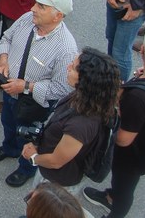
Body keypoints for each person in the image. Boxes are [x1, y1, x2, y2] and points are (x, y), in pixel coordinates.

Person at [84, 26, 145, 218]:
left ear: (143, 51)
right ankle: (113, 198)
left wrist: (119, 109)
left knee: (124, 187)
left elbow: (123, 140)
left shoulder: (136, 96)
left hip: (137, 155)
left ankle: (115, 209)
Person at [0, 0, 78, 188]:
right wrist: (3, 59)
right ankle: (9, 148)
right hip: (11, 92)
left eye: (41, 6)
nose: (33, 8)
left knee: (30, 138)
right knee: (8, 122)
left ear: (58, 15)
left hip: (34, 103)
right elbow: (6, 39)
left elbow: (62, 89)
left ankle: (26, 168)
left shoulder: (66, 49)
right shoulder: (28, 18)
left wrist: (26, 86)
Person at [21, 48, 120, 199]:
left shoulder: (81, 125)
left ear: (87, 79)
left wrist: (33, 157)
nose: (68, 67)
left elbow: (56, 161)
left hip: (57, 182)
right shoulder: (85, 98)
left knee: (43, 211)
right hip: (51, 172)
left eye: (73, 68)